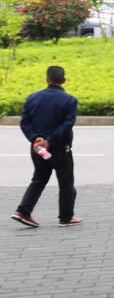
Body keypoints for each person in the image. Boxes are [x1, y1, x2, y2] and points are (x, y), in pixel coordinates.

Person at [13, 65, 79, 229]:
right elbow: (67, 125)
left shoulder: (32, 98)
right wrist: (49, 140)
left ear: (47, 79)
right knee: (66, 182)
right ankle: (65, 217)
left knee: (39, 179)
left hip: (37, 148)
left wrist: (36, 138)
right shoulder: (69, 100)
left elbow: (25, 122)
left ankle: (23, 211)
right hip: (59, 148)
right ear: (64, 80)